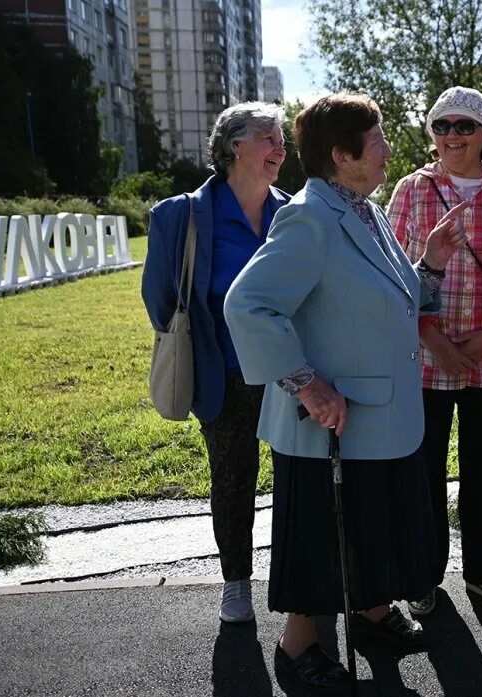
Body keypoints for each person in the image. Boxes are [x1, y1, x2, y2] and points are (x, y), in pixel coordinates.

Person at [223, 93, 469, 694]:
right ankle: (298, 643)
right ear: (341, 154)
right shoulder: (310, 216)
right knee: (316, 535)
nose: (389, 149)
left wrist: (430, 266)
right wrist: (307, 386)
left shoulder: (366, 211)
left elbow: (394, 299)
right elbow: (248, 304)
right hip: (327, 423)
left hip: (377, 415)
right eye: (378, 138)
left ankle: (373, 613)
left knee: (371, 523)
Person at [387, 86, 482, 616]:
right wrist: (430, 335)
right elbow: (390, 277)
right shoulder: (411, 190)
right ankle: (424, 575)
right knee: (423, 470)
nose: (452, 135)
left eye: (465, 126)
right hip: (424, 359)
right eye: (442, 125)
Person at [141, 102, 291, 624]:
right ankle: (236, 584)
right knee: (232, 481)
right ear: (234, 146)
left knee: (297, 480)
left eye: (283, 139)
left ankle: (296, 583)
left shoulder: (291, 212)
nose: (281, 147)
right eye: (270, 137)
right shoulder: (179, 216)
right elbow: (161, 300)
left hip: (288, 375)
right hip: (221, 375)